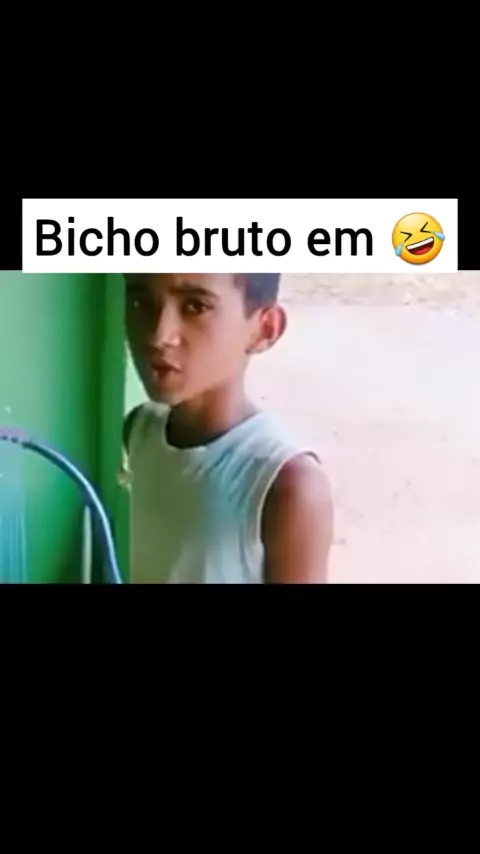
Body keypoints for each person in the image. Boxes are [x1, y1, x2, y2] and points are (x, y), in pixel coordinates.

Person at [123, 273, 333, 583]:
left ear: (265, 328)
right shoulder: (140, 431)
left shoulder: (286, 485)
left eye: (195, 307)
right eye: (141, 302)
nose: (158, 336)